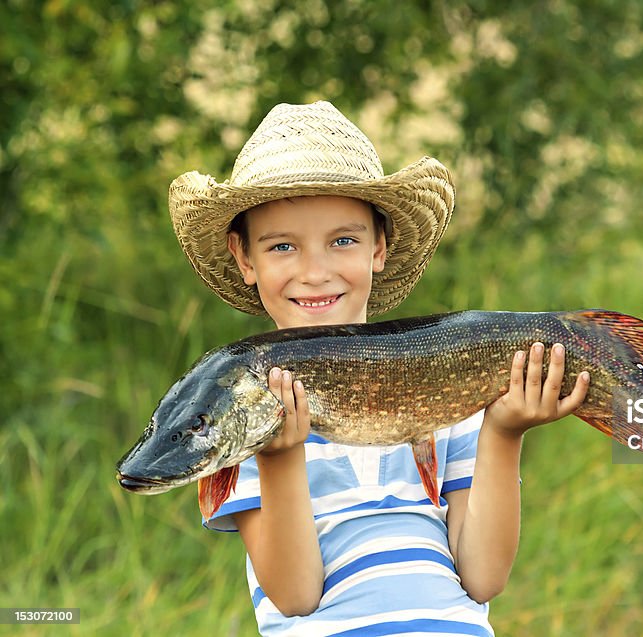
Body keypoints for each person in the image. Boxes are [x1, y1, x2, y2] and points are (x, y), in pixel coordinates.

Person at [167, 101, 590, 636]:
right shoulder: (242, 411)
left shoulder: (445, 385)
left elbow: (482, 578)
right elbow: (296, 596)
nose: (315, 271)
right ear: (245, 258)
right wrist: (279, 458)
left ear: (379, 247)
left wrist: (504, 431)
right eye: (282, 246)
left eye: (342, 240)